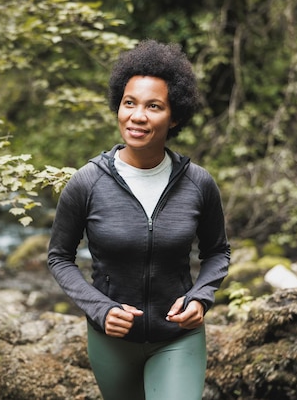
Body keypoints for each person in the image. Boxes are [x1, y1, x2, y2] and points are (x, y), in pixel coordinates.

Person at [47, 39, 231, 400]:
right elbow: (59, 257)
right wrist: (100, 308)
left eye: (154, 106)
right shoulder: (87, 182)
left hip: (178, 338)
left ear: (174, 116)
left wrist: (201, 298)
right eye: (129, 103)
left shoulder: (198, 184)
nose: (137, 116)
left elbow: (218, 252)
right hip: (111, 341)